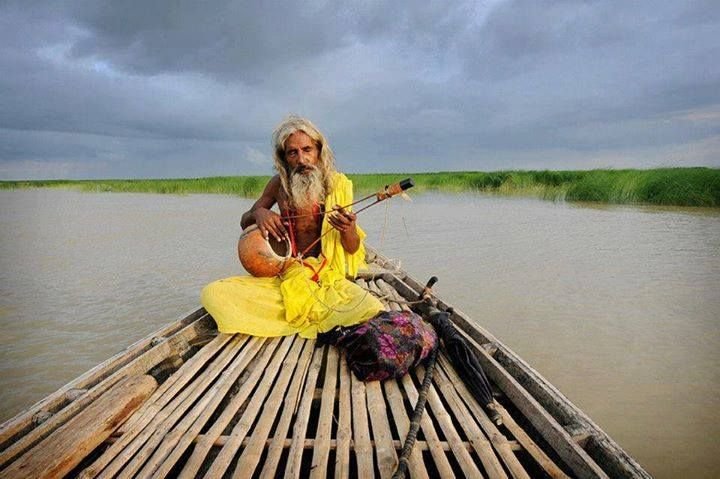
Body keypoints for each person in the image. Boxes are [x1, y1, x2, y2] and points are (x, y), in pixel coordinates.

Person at [201, 115, 384, 338]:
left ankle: (295, 315)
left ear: (319, 151)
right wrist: (260, 213)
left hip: (326, 276)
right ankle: (304, 314)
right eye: (292, 152)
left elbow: (353, 249)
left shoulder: (336, 186)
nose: (301, 159)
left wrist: (348, 229)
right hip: (287, 273)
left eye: (307, 150)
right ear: (284, 158)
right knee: (214, 294)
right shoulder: (278, 184)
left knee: (368, 306)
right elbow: (244, 222)